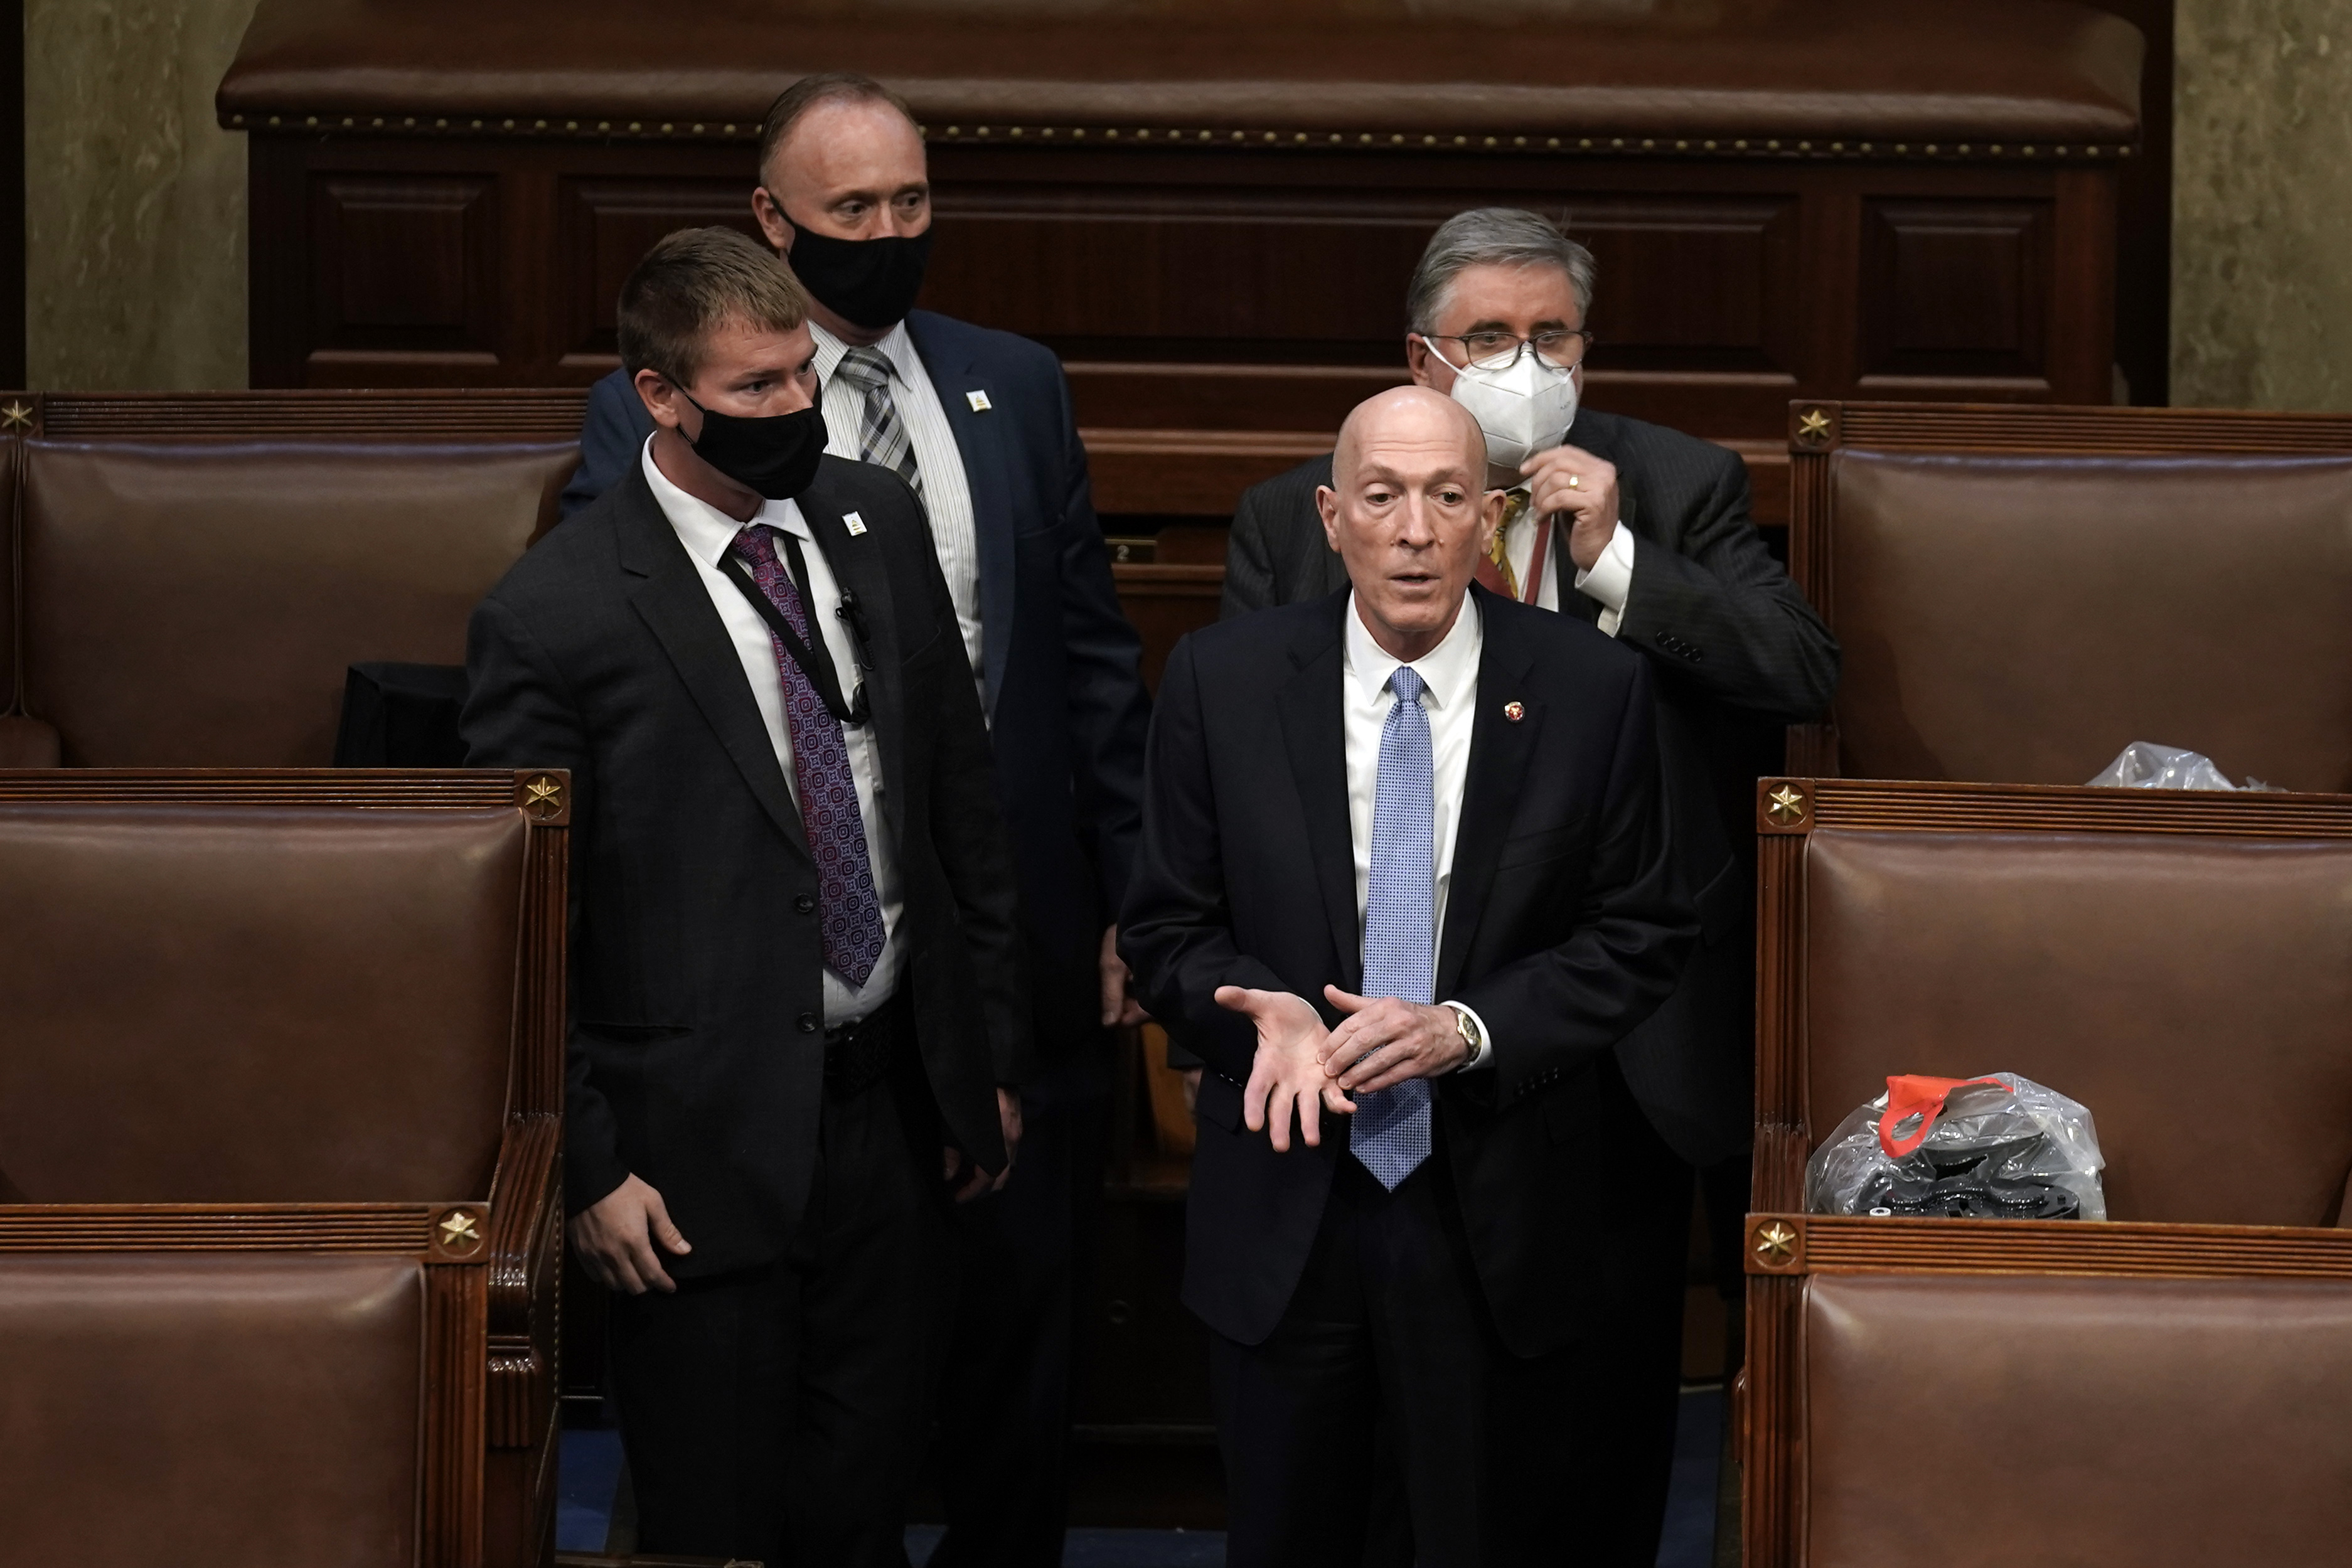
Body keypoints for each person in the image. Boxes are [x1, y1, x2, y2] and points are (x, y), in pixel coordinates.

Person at [562, 74, 1153, 1567]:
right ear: (772, 219)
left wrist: (1129, 895)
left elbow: (1088, 659)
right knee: (804, 1389)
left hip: (1008, 933)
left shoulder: (1014, 383)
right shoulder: (651, 411)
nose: (888, 233)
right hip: (787, 967)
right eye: (852, 208)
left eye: (911, 202)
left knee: (1017, 1326)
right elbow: (629, 690)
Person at [1219, 206, 1840, 1562]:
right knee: (1379, 1454)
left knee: (1591, 1445)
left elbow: (1800, 672)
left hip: (1612, 1050)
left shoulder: (1674, 482)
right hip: (1371, 1031)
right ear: (1421, 356)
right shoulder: (1300, 513)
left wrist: (1616, 561)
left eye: (1551, 336)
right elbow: (1242, 768)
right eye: (1489, 336)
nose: (1524, 363)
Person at [462, 226, 1029, 1566]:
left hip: (893, 1112)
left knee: (864, 1505)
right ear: (661, 396)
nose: (795, 407)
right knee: (715, 1520)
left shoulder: (872, 520)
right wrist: (589, 1165)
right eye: (756, 387)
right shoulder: (554, 614)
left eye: (802, 375)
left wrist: (984, 1060)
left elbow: (959, 812)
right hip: (688, 1154)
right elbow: (517, 933)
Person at [1120, 386, 1700, 1567]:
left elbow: (1640, 930)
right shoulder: (1222, 681)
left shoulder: (1591, 689)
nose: (1416, 532)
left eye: (1447, 498)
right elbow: (1165, 929)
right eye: (1382, 498)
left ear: (1490, 519)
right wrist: (1263, 1021)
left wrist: (1468, 1030)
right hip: (1288, 1202)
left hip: (1494, 1215)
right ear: (1331, 517)